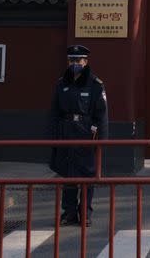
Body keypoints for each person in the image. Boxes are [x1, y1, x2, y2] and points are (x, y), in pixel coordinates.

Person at [49, 45, 108, 226]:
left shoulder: (95, 84)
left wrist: (102, 140)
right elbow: (54, 111)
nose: (75, 63)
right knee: (68, 176)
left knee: (87, 176)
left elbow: (102, 114)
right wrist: (52, 137)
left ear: (86, 62)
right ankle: (69, 213)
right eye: (72, 60)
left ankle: (85, 213)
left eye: (78, 60)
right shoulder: (61, 84)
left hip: (85, 133)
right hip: (66, 133)